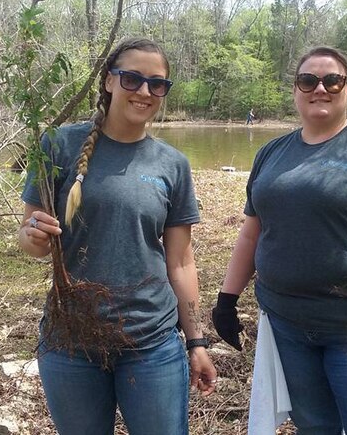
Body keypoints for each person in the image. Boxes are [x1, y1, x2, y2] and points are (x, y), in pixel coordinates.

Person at [211, 46, 347, 434]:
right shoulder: (271, 153)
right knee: (314, 427)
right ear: (295, 90)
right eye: (308, 80)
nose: (319, 88)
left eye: (332, 80)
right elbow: (252, 232)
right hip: (288, 326)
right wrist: (227, 298)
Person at [18, 37, 216, 435]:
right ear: (109, 81)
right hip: (69, 339)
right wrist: (34, 236)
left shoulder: (172, 165)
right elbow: (29, 239)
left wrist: (196, 342)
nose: (144, 91)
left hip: (151, 343)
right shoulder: (58, 144)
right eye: (132, 79)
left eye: (156, 84)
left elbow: (180, 262)